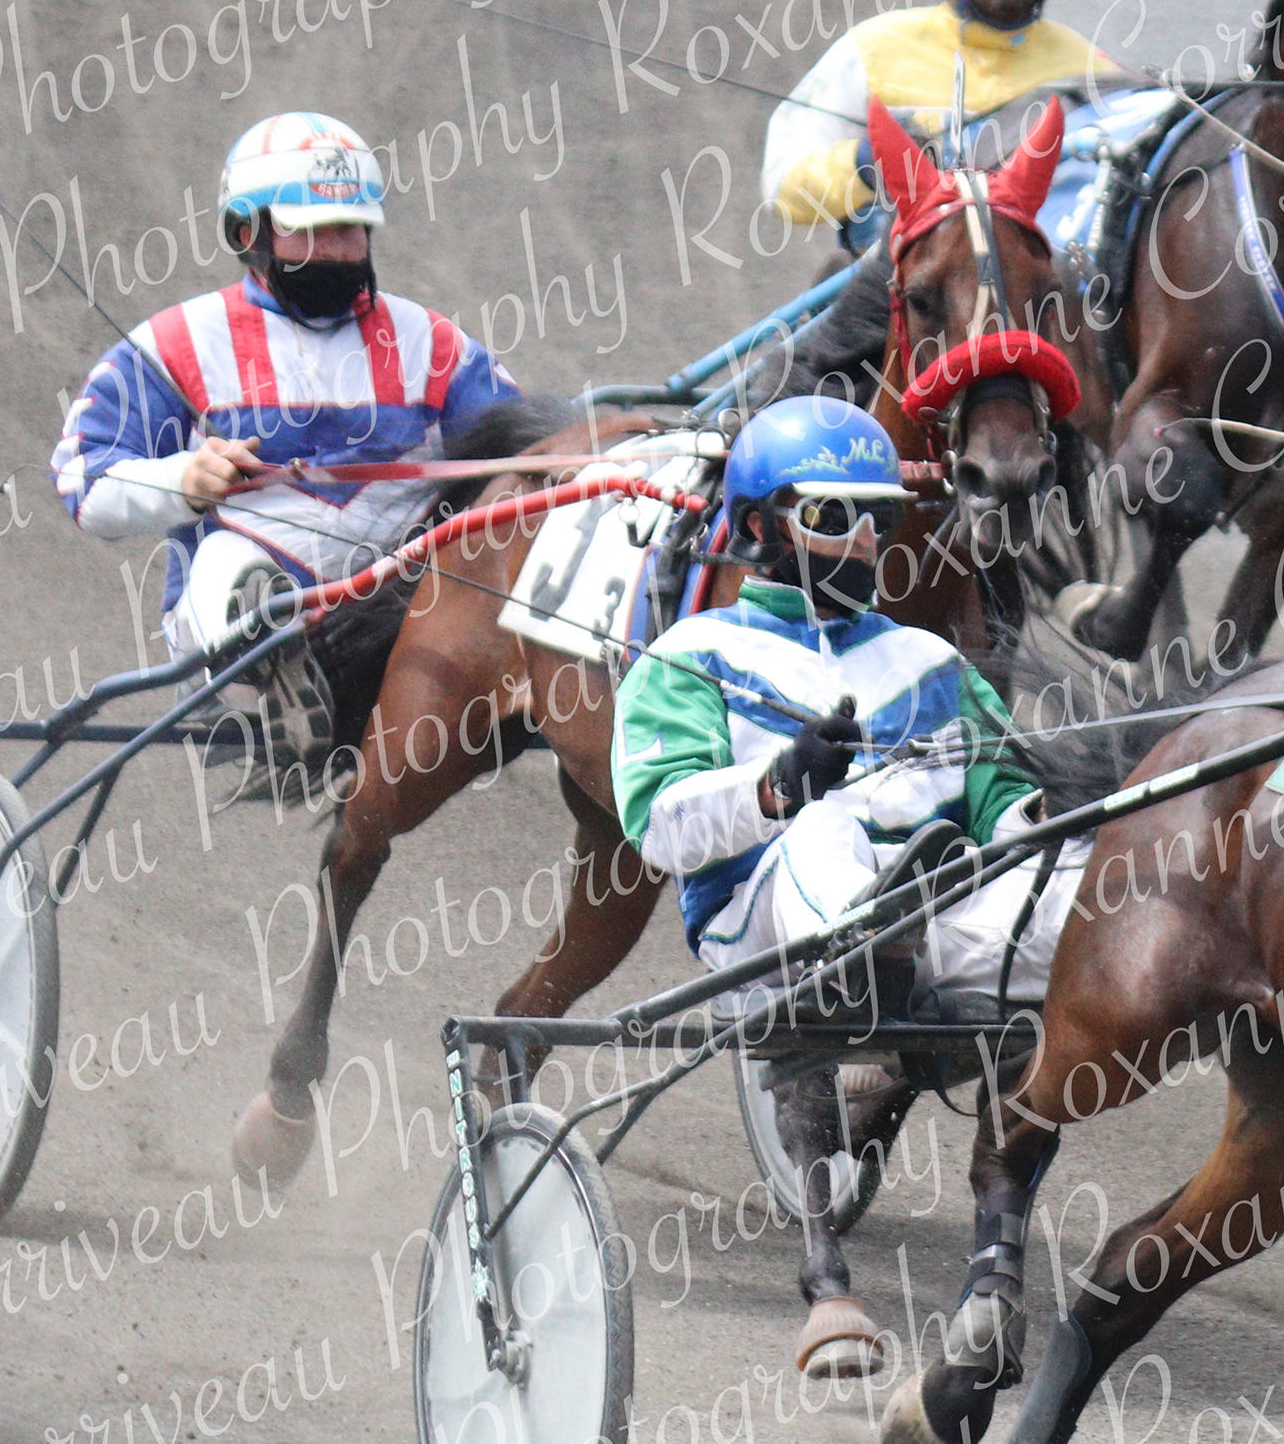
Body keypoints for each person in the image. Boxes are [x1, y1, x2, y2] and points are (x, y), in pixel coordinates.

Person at [611, 396, 1074, 1379]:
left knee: (1065, 886)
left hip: (933, 917)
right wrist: (776, 786)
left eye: (880, 518)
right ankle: (826, 1280)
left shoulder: (931, 662)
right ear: (758, 526)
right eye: (834, 516)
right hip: (766, 928)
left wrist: (1048, 840)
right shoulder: (692, 657)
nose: (865, 540)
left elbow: (1006, 802)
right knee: (827, 829)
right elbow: (657, 824)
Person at [53, 112, 524, 764]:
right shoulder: (175, 344)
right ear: (247, 232)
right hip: (222, 640)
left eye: (350, 229)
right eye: (313, 229)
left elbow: (527, 467)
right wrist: (182, 480)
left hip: (406, 625)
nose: (335, 249)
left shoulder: (434, 345)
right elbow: (81, 478)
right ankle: (274, 656)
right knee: (230, 567)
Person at [757, 0, 1146, 397]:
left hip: (1040, 304)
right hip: (902, 297)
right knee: (793, 396)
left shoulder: (1093, 71)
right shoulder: (873, 51)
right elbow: (783, 184)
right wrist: (862, 167)